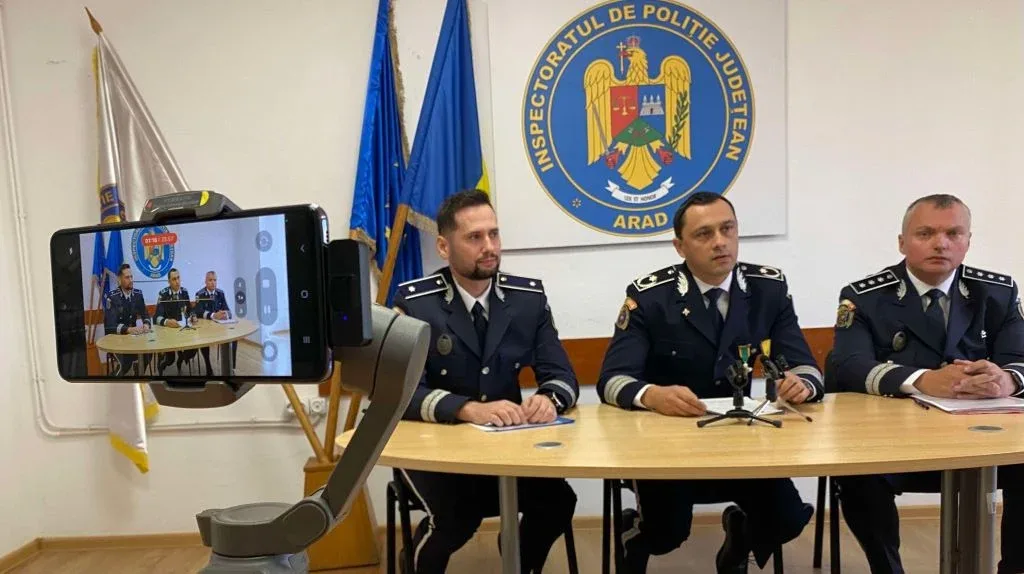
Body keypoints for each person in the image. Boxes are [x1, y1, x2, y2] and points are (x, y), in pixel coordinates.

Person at [597, 191, 822, 574]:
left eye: (727, 229)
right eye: (704, 234)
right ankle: (633, 534)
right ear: (680, 246)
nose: (720, 242)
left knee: (788, 519)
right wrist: (651, 395)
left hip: (740, 441)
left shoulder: (766, 289)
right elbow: (612, 379)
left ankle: (740, 535)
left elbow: (805, 365)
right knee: (666, 535)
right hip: (668, 447)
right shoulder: (651, 297)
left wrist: (801, 384)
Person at [831, 193, 1024, 574]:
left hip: (984, 437)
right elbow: (847, 365)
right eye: (926, 233)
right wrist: (923, 380)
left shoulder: (997, 292)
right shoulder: (865, 296)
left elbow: (1019, 357)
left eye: (953, 233)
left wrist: (1006, 379)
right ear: (902, 242)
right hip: (897, 440)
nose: (941, 244)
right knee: (857, 474)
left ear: (968, 241)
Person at [392, 189, 579, 574]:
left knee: (558, 501)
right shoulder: (415, 304)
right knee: (457, 518)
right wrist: (466, 409)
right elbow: (400, 393)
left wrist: (549, 399)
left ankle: (519, 562)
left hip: (505, 446)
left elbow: (561, 375)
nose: (489, 247)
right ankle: (415, 563)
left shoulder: (527, 299)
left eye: (494, 234)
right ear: (444, 247)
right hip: (434, 447)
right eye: (474, 237)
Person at [103, 263, 152, 376]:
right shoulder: (112, 297)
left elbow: (145, 314)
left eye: (131, 277)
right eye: (127, 277)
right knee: (124, 365)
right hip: (117, 341)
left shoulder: (137, 294)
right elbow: (110, 325)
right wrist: (128, 329)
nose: (130, 280)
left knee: (148, 353)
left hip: (134, 339)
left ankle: (138, 374)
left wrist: (146, 324)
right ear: (119, 279)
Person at [154, 268, 197, 375]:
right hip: (169, 333)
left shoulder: (184, 292)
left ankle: (180, 361)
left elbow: (190, 309)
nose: (177, 281)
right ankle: (162, 365)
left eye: (178, 278)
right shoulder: (163, 294)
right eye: (174, 279)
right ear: (169, 281)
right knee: (170, 360)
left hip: (183, 331)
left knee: (193, 349)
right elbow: (156, 318)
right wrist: (167, 322)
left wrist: (193, 315)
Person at [194, 271, 235, 375]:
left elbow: (228, 310)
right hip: (206, 329)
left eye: (215, 280)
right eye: (210, 280)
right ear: (205, 281)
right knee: (203, 340)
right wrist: (213, 315)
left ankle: (231, 367)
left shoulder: (220, 293)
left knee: (234, 338)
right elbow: (199, 312)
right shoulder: (200, 294)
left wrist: (225, 314)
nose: (213, 282)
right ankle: (208, 367)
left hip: (220, 328)